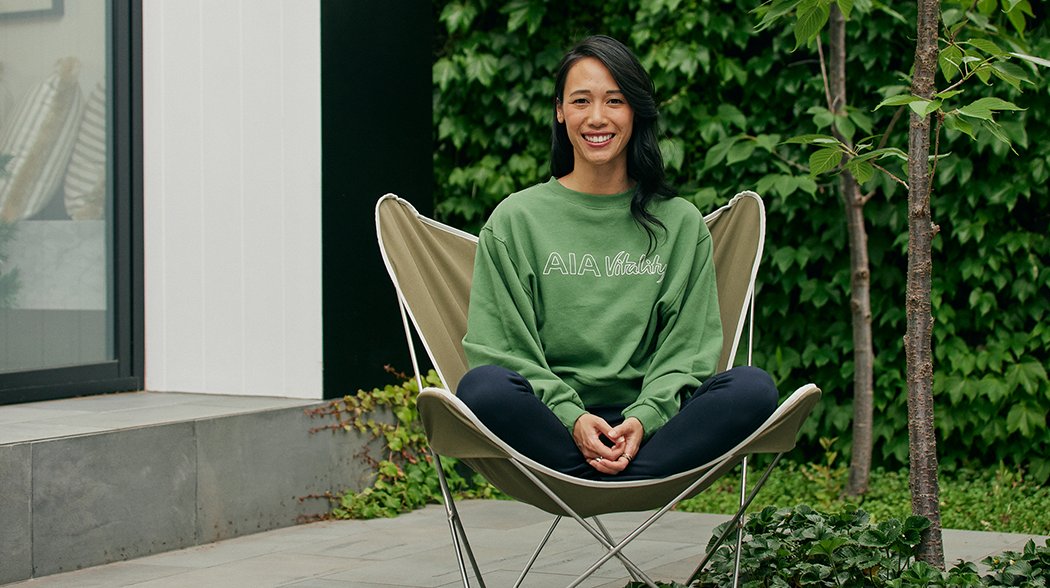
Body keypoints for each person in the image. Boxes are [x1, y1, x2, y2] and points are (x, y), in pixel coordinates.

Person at [456, 35, 778, 481]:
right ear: (560, 111)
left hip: (652, 424)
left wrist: (644, 418)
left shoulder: (680, 224)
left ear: (636, 111)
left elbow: (687, 351)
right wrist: (573, 418)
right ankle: (618, 472)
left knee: (753, 389)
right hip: (551, 421)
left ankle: (602, 471)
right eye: (581, 101)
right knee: (482, 388)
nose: (597, 118)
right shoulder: (516, 220)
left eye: (615, 100)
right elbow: (501, 347)